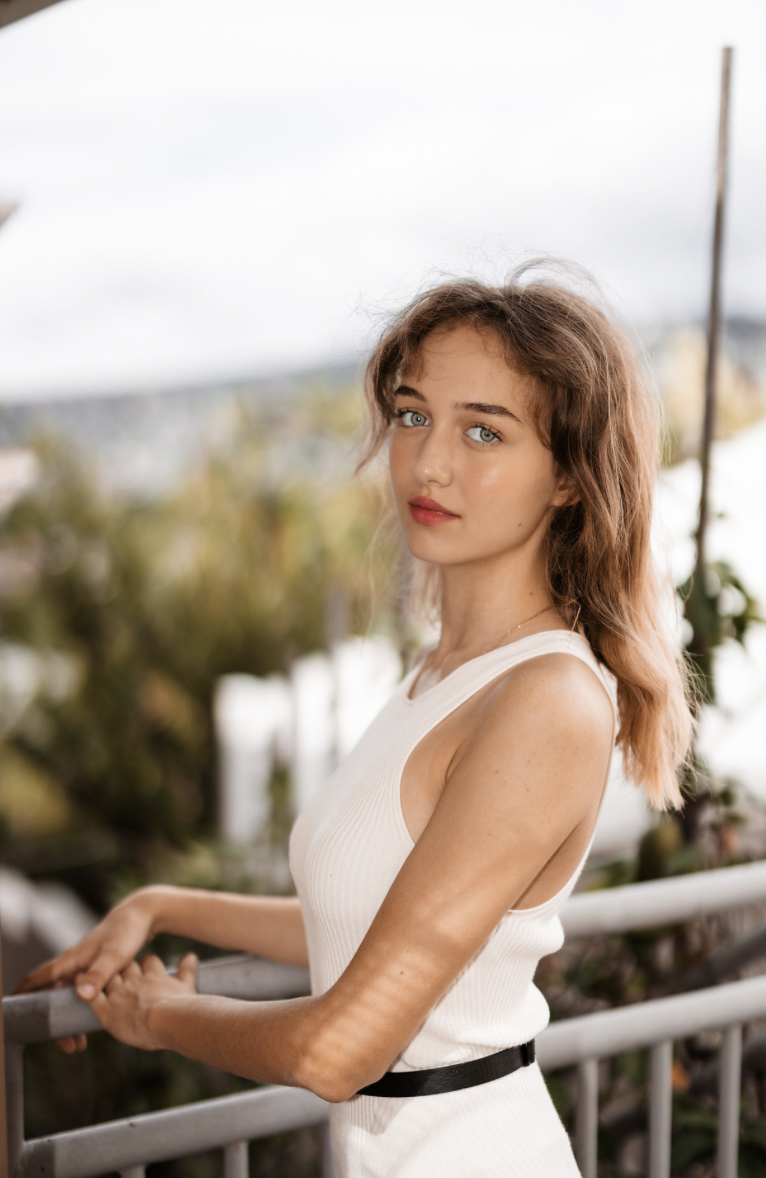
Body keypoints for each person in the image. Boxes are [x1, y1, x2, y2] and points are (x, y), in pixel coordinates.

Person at [18, 263, 693, 1177]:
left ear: (569, 478)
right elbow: (364, 924)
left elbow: (341, 1051)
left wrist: (159, 1016)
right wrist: (161, 904)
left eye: (484, 431)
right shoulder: (443, 673)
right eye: (414, 415)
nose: (429, 461)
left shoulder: (546, 700)